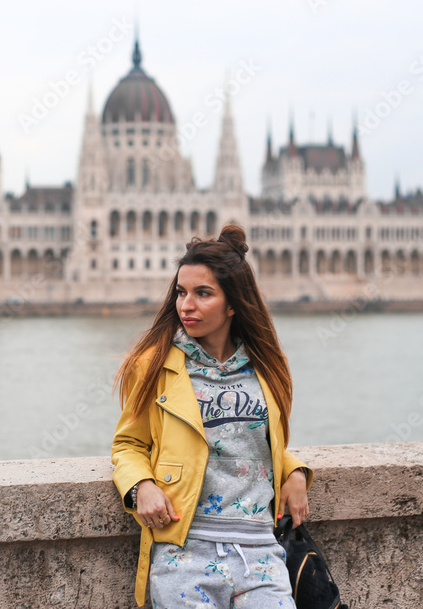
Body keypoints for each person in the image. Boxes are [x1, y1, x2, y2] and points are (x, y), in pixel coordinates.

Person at [112, 223, 313, 608]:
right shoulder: (154, 365)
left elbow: (253, 441)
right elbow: (128, 445)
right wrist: (142, 486)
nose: (186, 305)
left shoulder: (267, 367)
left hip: (260, 553)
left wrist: (294, 471)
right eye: (181, 292)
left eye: (203, 293)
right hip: (184, 552)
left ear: (233, 303)